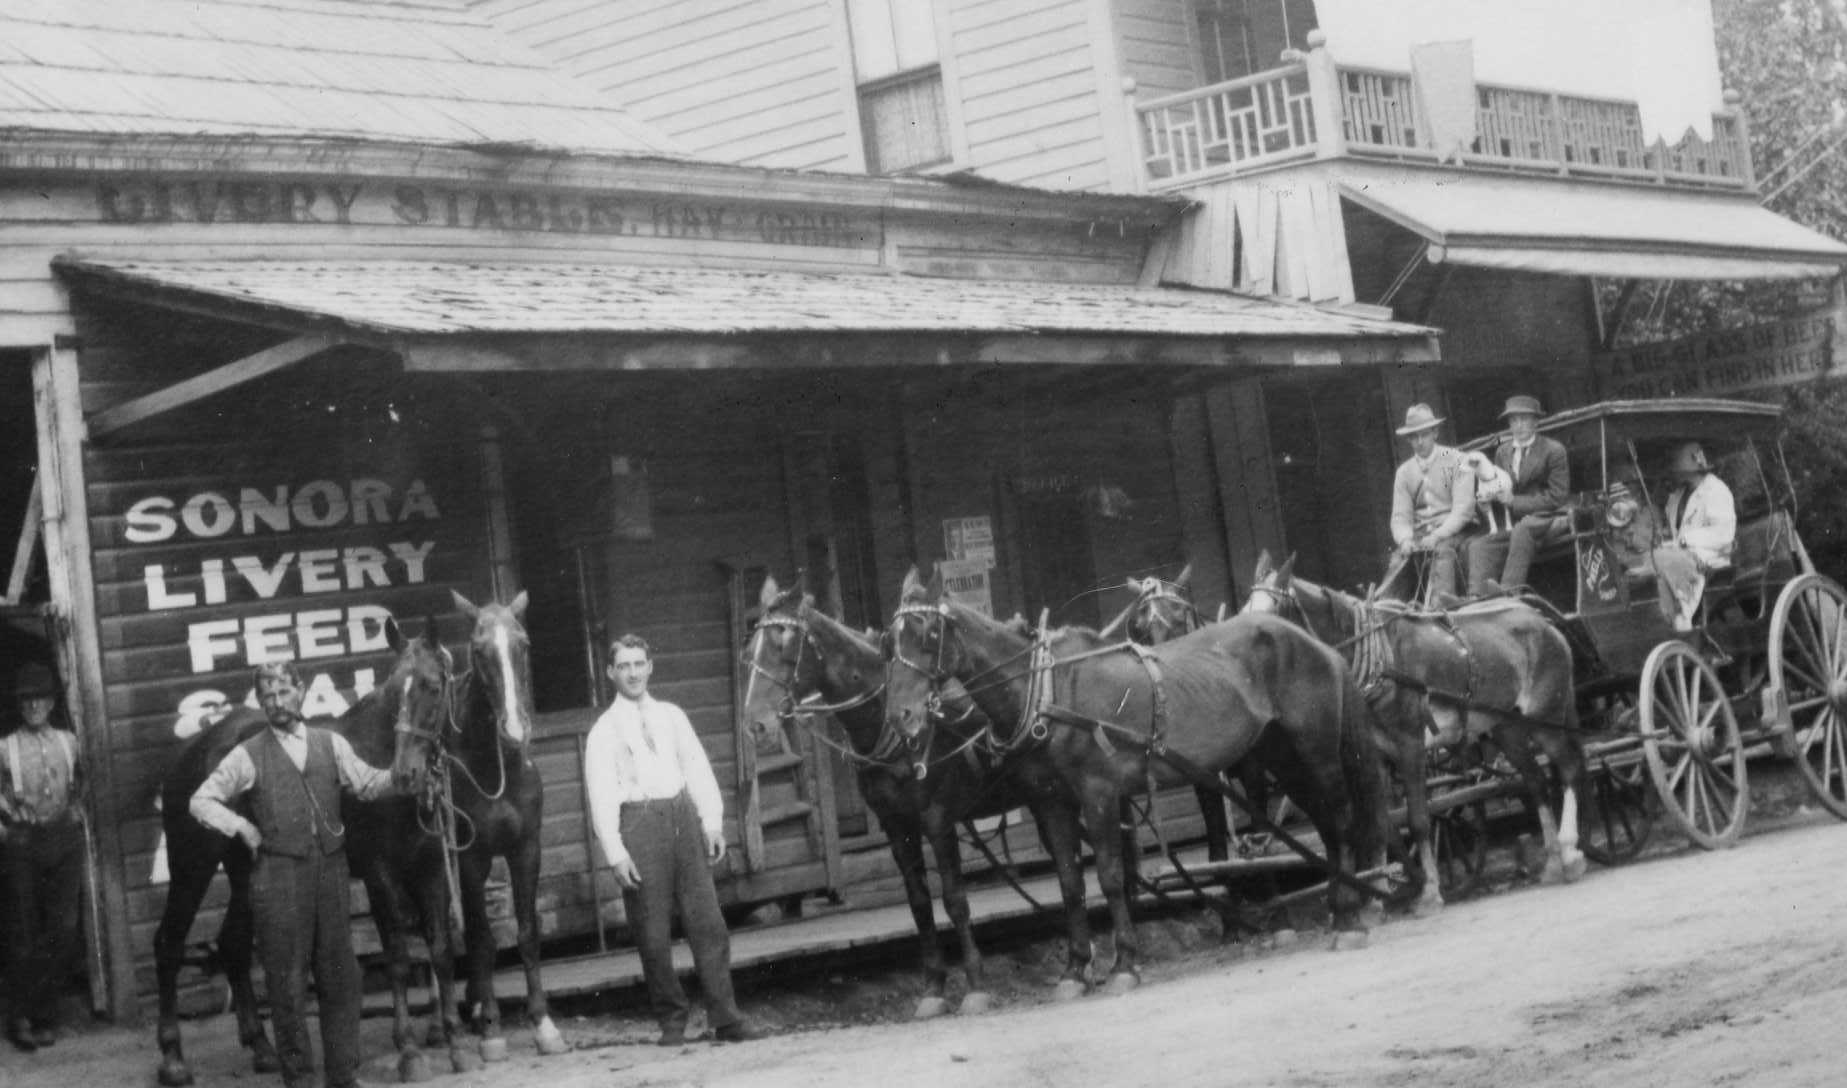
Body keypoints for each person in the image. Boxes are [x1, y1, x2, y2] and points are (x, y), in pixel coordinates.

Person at [190, 661, 396, 1088]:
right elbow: (201, 800)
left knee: (341, 977)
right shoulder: (248, 754)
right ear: (260, 702)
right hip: (278, 876)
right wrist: (242, 826)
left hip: (331, 873)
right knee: (286, 985)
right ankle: (299, 1080)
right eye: (267, 697)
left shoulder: (331, 744)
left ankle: (342, 1076)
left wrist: (404, 778)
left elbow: (368, 784)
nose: (277, 703)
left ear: (300, 693)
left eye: (284, 693)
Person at [584, 635, 762, 1046]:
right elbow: (601, 794)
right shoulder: (604, 731)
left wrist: (712, 822)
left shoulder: (671, 716)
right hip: (639, 824)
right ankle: (672, 1021)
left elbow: (697, 766)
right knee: (652, 931)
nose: (632, 673)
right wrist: (615, 852)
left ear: (650, 667)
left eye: (639, 664)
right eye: (624, 666)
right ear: (611, 673)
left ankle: (725, 1016)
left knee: (709, 923)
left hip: (683, 818)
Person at [1, 661, 85, 1052]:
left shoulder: (69, 740)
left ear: (51, 702)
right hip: (22, 843)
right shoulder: (5, 747)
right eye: (26, 700)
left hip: (63, 840)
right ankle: (20, 1017)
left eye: (40, 698)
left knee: (64, 928)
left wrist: (76, 811)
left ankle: (45, 1014)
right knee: (23, 932)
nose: (33, 706)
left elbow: (83, 782)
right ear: (19, 706)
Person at [1467, 395, 1571, 596]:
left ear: (1536, 422)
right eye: (1514, 420)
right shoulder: (1502, 452)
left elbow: (1557, 497)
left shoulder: (1554, 450)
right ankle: (1475, 599)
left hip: (1550, 517)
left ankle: (1508, 594)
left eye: (1524, 419)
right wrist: (1487, 504)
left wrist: (1514, 502)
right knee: (1478, 545)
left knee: (1523, 530)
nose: (1519, 425)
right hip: (1516, 524)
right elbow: (1499, 489)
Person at [1385, 402, 1475, 605]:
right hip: (1420, 536)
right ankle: (1387, 614)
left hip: (1453, 533)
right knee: (1398, 561)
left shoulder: (1457, 460)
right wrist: (1405, 539)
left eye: (1424, 434)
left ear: (1435, 432)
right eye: (1413, 437)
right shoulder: (1404, 473)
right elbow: (1400, 517)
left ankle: (1440, 608)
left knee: (1441, 553)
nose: (1419, 442)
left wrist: (1437, 535)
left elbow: (1464, 510)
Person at [1651, 441, 1736, 631]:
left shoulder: (1716, 490)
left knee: (1665, 559)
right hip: (1680, 555)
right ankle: (1667, 618)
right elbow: (1672, 530)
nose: (1673, 472)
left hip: (1711, 557)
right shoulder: (1678, 496)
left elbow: (1724, 534)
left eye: (1676, 466)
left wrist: (1686, 540)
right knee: (1654, 559)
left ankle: (1682, 617)